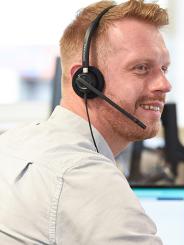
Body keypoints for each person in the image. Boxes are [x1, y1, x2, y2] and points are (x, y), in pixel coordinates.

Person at [0, 0, 171, 244]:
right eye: (141, 68)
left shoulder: (12, 142)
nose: (164, 85)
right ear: (85, 81)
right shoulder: (88, 179)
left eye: (164, 68)